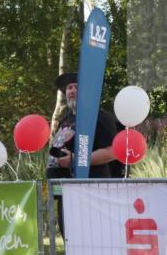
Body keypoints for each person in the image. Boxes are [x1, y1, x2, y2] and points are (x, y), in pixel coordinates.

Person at [45, 71, 118, 235]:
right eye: (69, 88)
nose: (71, 91)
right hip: (66, 193)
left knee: (91, 244)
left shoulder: (100, 117)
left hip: (91, 193)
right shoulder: (65, 119)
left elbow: (113, 151)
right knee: (71, 245)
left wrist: (77, 161)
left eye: (77, 87)